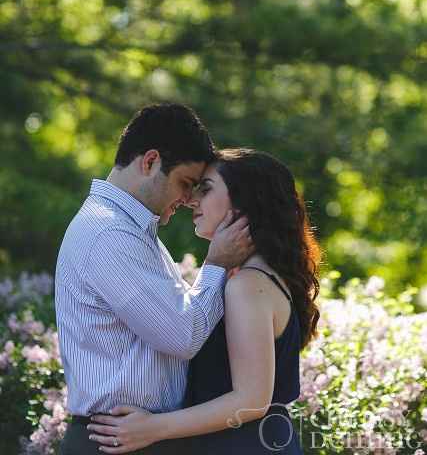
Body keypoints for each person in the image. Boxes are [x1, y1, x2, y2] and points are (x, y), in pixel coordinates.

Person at [87, 148, 322, 454]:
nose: (191, 200)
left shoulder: (248, 285)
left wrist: (152, 428)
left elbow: (251, 400)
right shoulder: (250, 277)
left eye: (206, 189)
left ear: (245, 200)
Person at [55, 105, 254, 455]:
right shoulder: (109, 234)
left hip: (134, 436)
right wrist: (218, 263)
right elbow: (183, 334)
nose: (189, 200)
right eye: (186, 184)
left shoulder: (131, 231)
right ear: (149, 162)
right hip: (116, 441)